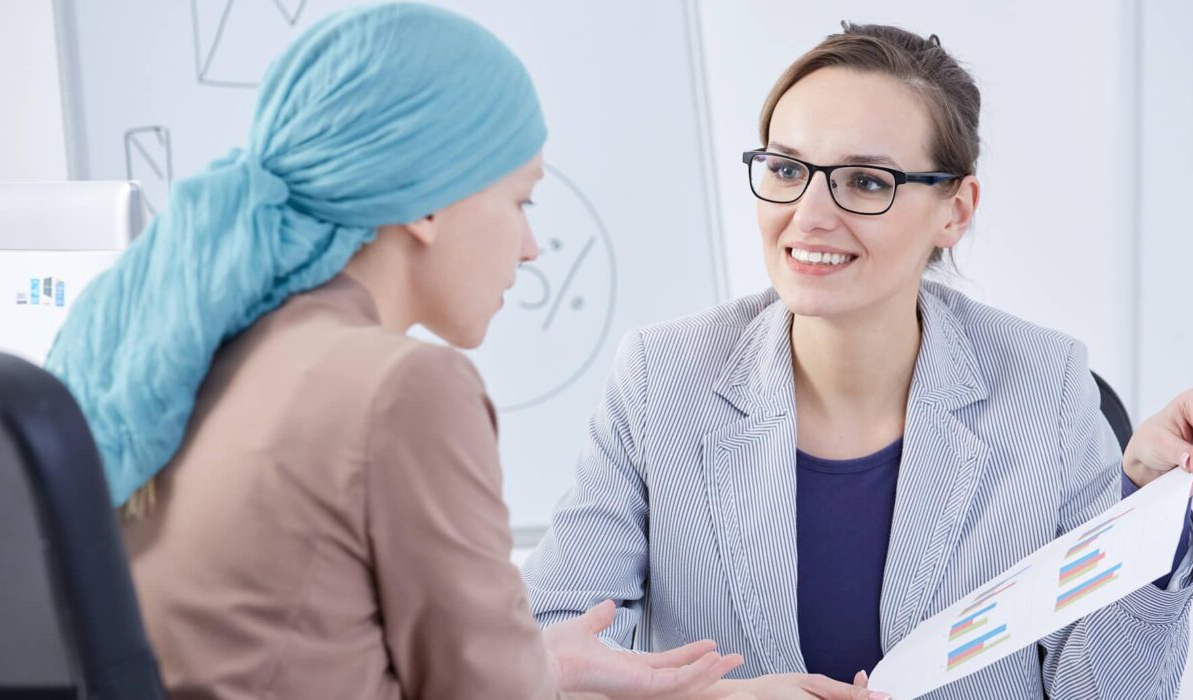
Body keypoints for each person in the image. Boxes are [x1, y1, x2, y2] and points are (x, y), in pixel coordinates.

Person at [521, 23, 1193, 699]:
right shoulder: (662, 379)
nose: (809, 215)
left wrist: (1146, 510)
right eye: (786, 169)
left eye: (866, 181)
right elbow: (546, 659)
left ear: (955, 210)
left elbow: (1108, 690)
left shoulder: (1047, 388)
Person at [45, 4, 749, 699]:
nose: (531, 248)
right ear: (427, 204)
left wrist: (546, 665)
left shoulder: (195, 361)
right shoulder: (406, 388)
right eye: (521, 202)